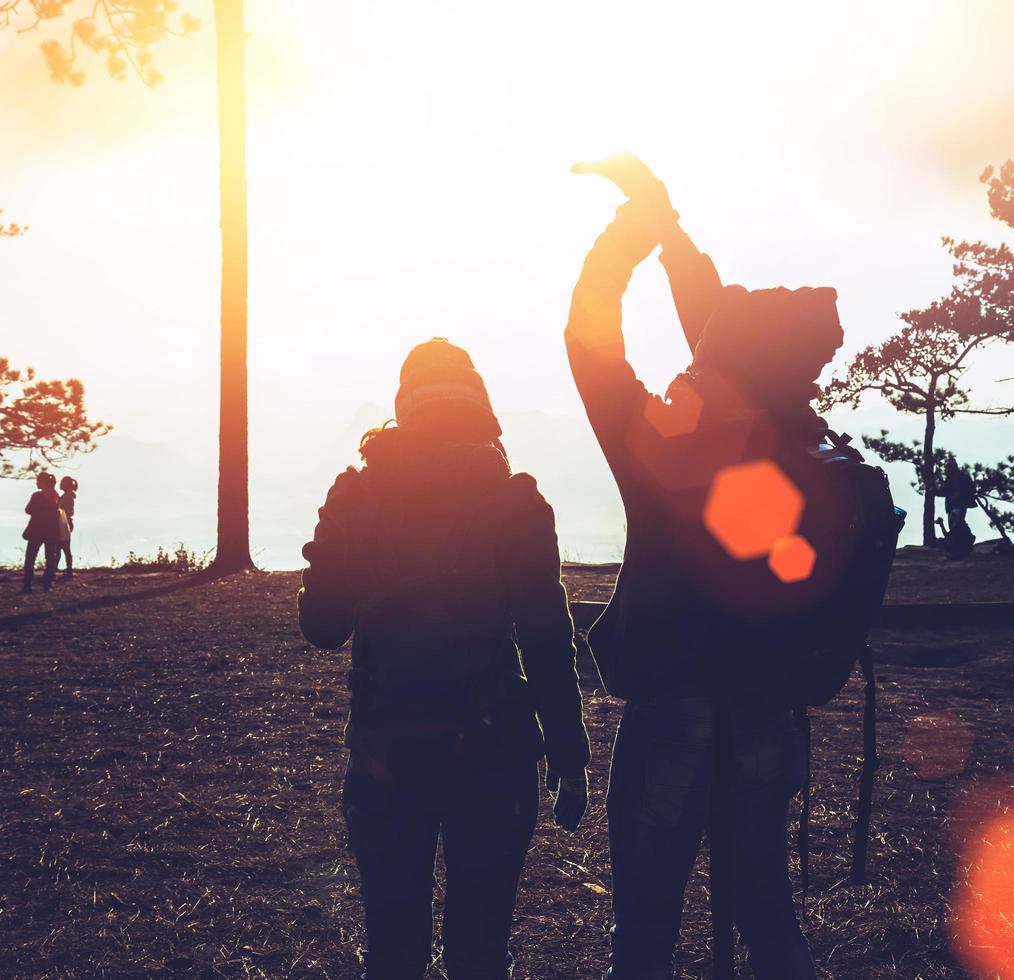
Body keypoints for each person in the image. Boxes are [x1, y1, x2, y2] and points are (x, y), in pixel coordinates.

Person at [567, 154, 837, 979]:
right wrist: (671, 229)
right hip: (768, 714)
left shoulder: (665, 448)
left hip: (676, 715)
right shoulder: (805, 447)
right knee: (768, 919)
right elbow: (732, 343)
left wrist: (635, 231)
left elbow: (589, 334)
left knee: (644, 933)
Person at [298, 338, 590, 980]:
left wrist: (331, 544)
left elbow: (320, 627)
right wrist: (569, 753)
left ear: (405, 410)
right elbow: (546, 639)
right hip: (494, 751)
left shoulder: (360, 495)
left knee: (393, 953)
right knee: (481, 953)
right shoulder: (516, 502)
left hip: (385, 749)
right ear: (481, 412)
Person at [22, 471, 61, 593]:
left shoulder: (37, 496)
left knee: (30, 558)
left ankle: (27, 585)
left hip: (36, 530)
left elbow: (28, 510)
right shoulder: (56, 496)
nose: (36, 483)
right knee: (50, 557)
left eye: (38, 481)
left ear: (43, 482)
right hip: (52, 530)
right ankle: (48, 584)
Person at [938, 457, 977, 559]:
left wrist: (960, 494)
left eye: (948, 468)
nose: (947, 470)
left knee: (957, 526)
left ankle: (961, 550)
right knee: (954, 528)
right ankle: (957, 549)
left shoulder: (963, 478)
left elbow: (972, 489)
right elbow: (943, 491)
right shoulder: (950, 480)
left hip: (960, 505)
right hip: (951, 506)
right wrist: (933, 491)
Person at [58, 475, 78, 578]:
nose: (60, 484)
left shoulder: (67, 496)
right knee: (63, 547)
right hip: (65, 523)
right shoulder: (68, 495)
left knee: (62, 547)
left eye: (62, 482)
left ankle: (67, 571)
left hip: (64, 524)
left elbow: (63, 509)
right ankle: (68, 570)